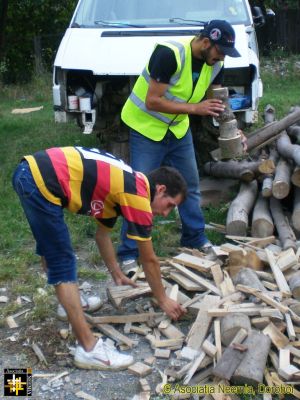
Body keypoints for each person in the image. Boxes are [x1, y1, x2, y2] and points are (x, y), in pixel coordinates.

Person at [12, 146, 187, 370]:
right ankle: (89, 349)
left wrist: (116, 271)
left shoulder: (123, 185)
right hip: (39, 179)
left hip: (32, 172)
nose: (165, 213)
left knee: (52, 246)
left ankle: (68, 305)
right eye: (170, 205)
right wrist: (163, 299)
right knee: (62, 261)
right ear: (160, 189)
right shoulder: (137, 194)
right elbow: (149, 258)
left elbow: (102, 235)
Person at [118, 19, 244, 273]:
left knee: (191, 185)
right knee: (140, 190)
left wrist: (233, 128)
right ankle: (129, 252)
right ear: (206, 42)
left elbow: (218, 101)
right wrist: (195, 109)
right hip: (146, 127)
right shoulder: (169, 54)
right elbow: (152, 101)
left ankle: (195, 238)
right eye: (220, 51)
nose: (222, 58)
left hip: (176, 128)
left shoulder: (215, 62)